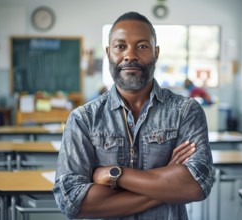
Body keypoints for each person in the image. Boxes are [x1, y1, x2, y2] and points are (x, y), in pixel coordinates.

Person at [53, 11, 214, 220]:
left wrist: (116, 174)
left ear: (156, 53)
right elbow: (72, 201)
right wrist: (166, 184)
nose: (130, 55)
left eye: (142, 46)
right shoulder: (83, 119)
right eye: (120, 46)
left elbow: (196, 185)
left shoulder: (186, 111)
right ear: (109, 52)